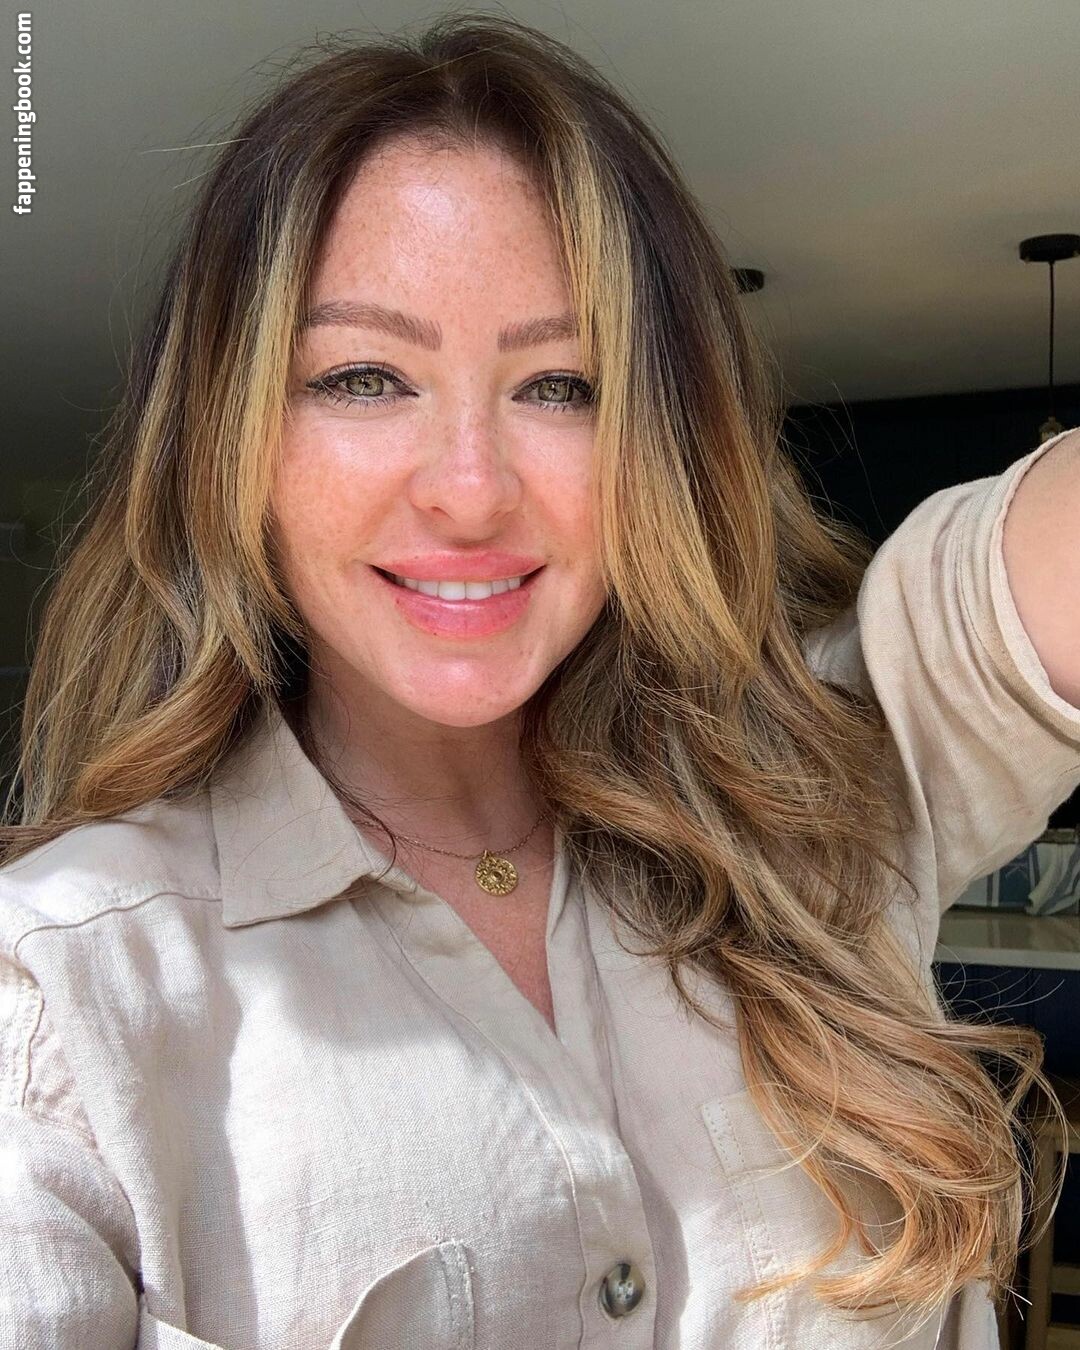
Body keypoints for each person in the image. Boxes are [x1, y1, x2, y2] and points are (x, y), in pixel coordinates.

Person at [1, 13, 1078, 1349]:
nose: (470, 491)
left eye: (562, 384)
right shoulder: (60, 994)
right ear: (232, 439)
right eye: (364, 377)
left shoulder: (815, 789)